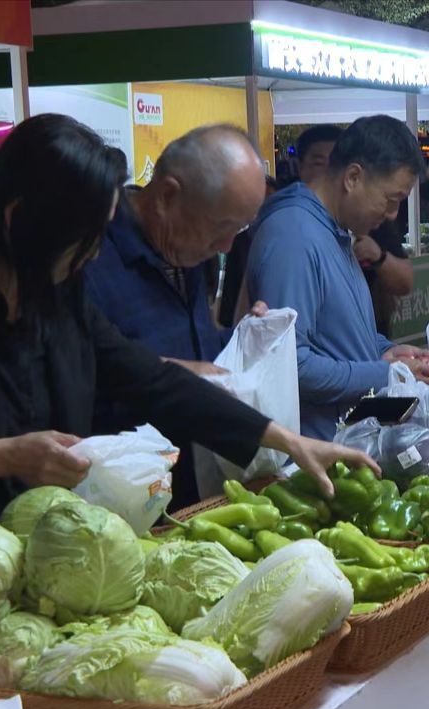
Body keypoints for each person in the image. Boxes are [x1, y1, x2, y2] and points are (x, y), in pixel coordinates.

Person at [0, 114, 375, 614]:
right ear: (20, 219)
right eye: (85, 238)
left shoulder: (57, 300)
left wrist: (283, 439)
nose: (93, 253)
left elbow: (150, 379)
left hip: (22, 585)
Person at [83, 124, 269, 509]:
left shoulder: (186, 250)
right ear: (168, 195)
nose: (226, 246)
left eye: (240, 229)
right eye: (221, 227)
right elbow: (85, 371)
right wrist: (174, 371)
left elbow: (194, 344)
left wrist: (243, 337)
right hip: (121, 496)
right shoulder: (89, 256)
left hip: (195, 482)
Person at [245, 115, 429, 440]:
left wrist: (388, 351)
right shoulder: (295, 235)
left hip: (350, 441)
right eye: (391, 200)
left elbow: (340, 335)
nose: (392, 215)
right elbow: (291, 365)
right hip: (314, 453)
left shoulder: (336, 231)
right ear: (353, 177)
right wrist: (384, 373)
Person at [285, 124, 414, 338]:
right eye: (319, 162)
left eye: (334, 161)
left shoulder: (360, 223)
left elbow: (405, 282)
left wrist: (384, 354)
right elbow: (293, 353)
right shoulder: (295, 232)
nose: (391, 214)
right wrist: (376, 369)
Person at [218, 175, 280, 329]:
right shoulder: (239, 241)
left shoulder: (286, 242)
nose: (264, 209)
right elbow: (228, 302)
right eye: (260, 203)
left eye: (270, 202)